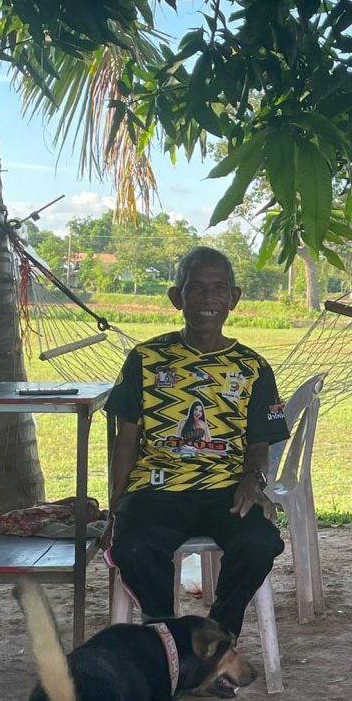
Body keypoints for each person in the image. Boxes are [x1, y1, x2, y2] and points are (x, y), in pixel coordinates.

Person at [103, 246, 289, 639]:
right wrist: (115, 508)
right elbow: (127, 439)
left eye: (219, 288)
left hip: (226, 491)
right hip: (157, 490)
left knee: (260, 542)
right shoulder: (146, 359)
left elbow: (260, 444)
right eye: (196, 288)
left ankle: (216, 637)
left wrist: (252, 482)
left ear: (234, 298)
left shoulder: (253, 367)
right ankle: (168, 638)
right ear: (177, 297)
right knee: (133, 548)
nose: (208, 299)